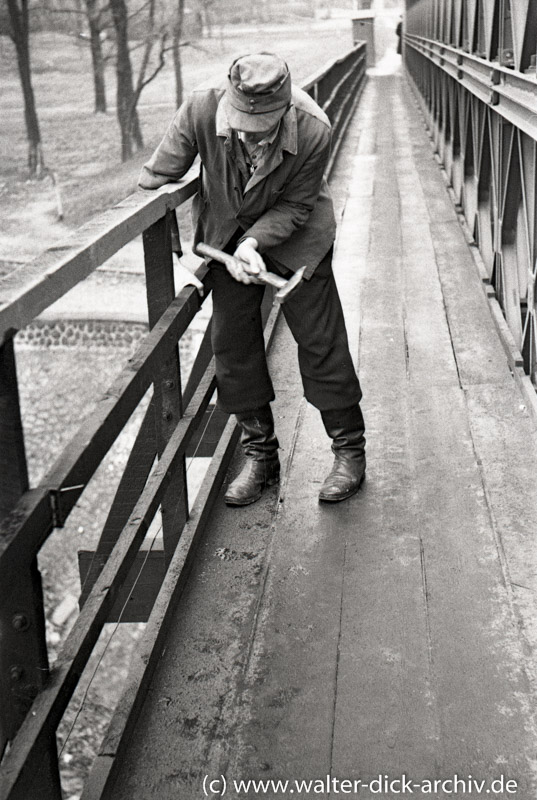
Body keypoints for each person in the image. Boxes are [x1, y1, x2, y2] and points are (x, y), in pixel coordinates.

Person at [138, 52, 366, 506]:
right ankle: (261, 457)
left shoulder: (314, 128)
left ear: (285, 109)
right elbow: (159, 173)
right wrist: (152, 213)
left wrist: (254, 243)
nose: (247, 135)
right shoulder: (200, 108)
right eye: (240, 122)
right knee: (232, 345)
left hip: (297, 239)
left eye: (261, 128)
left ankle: (349, 454)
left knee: (322, 342)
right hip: (226, 238)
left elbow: (299, 207)